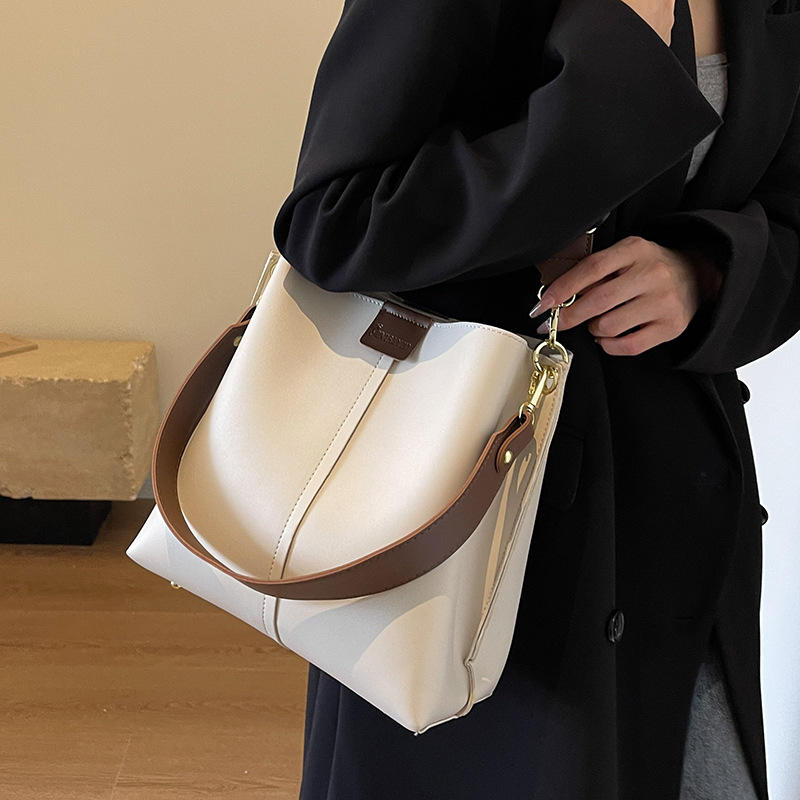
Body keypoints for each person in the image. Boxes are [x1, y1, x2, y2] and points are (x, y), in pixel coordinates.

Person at [271, 0, 800, 797]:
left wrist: (706, 273)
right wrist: (615, 61)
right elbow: (337, 223)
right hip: (471, 533)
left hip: (679, 535)